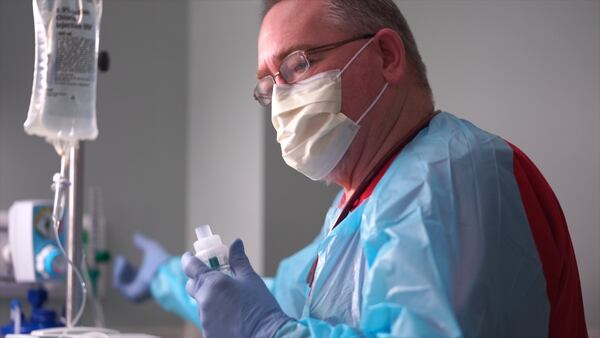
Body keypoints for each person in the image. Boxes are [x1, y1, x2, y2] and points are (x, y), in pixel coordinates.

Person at [117, 0, 589, 337]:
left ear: (386, 56)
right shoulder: (360, 202)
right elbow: (283, 292)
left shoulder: (444, 177)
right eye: (268, 85)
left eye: (298, 63)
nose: (279, 98)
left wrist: (267, 331)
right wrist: (168, 278)